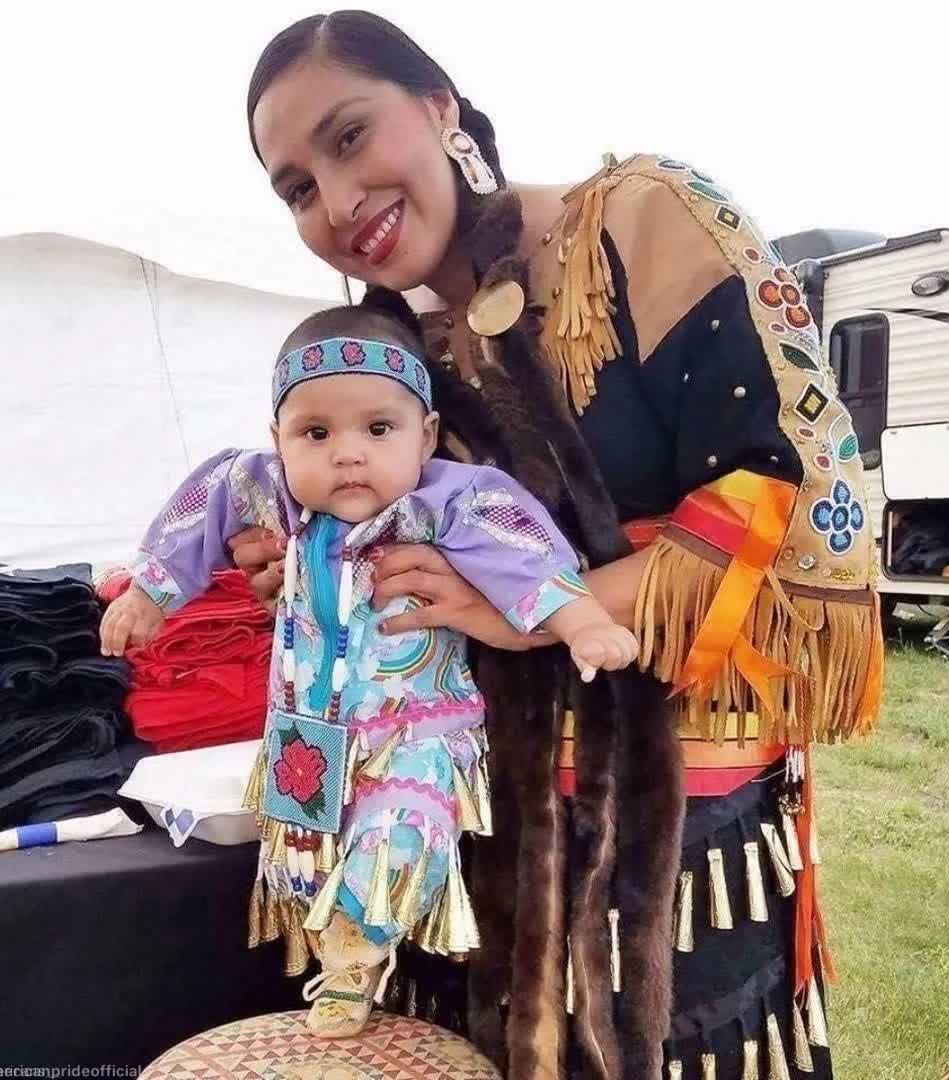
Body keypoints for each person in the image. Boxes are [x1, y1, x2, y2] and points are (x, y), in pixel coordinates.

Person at [232, 11, 885, 1078]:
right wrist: (315, 560)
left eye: (349, 138)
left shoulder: (644, 220)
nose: (338, 202)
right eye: (297, 188)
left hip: (663, 829)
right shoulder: (386, 352)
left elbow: (797, 489)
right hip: (457, 822)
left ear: (439, 107)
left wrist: (538, 610)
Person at [100, 301, 638, 1038]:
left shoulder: (452, 501)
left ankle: (357, 949)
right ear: (278, 442)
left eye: (378, 429)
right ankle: (342, 966)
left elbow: (525, 559)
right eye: (316, 433)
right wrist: (148, 594)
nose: (347, 453)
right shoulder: (267, 494)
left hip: (415, 728)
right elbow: (199, 513)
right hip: (307, 733)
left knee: (402, 832)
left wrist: (583, 622)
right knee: (307, 856)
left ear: (427, 436)